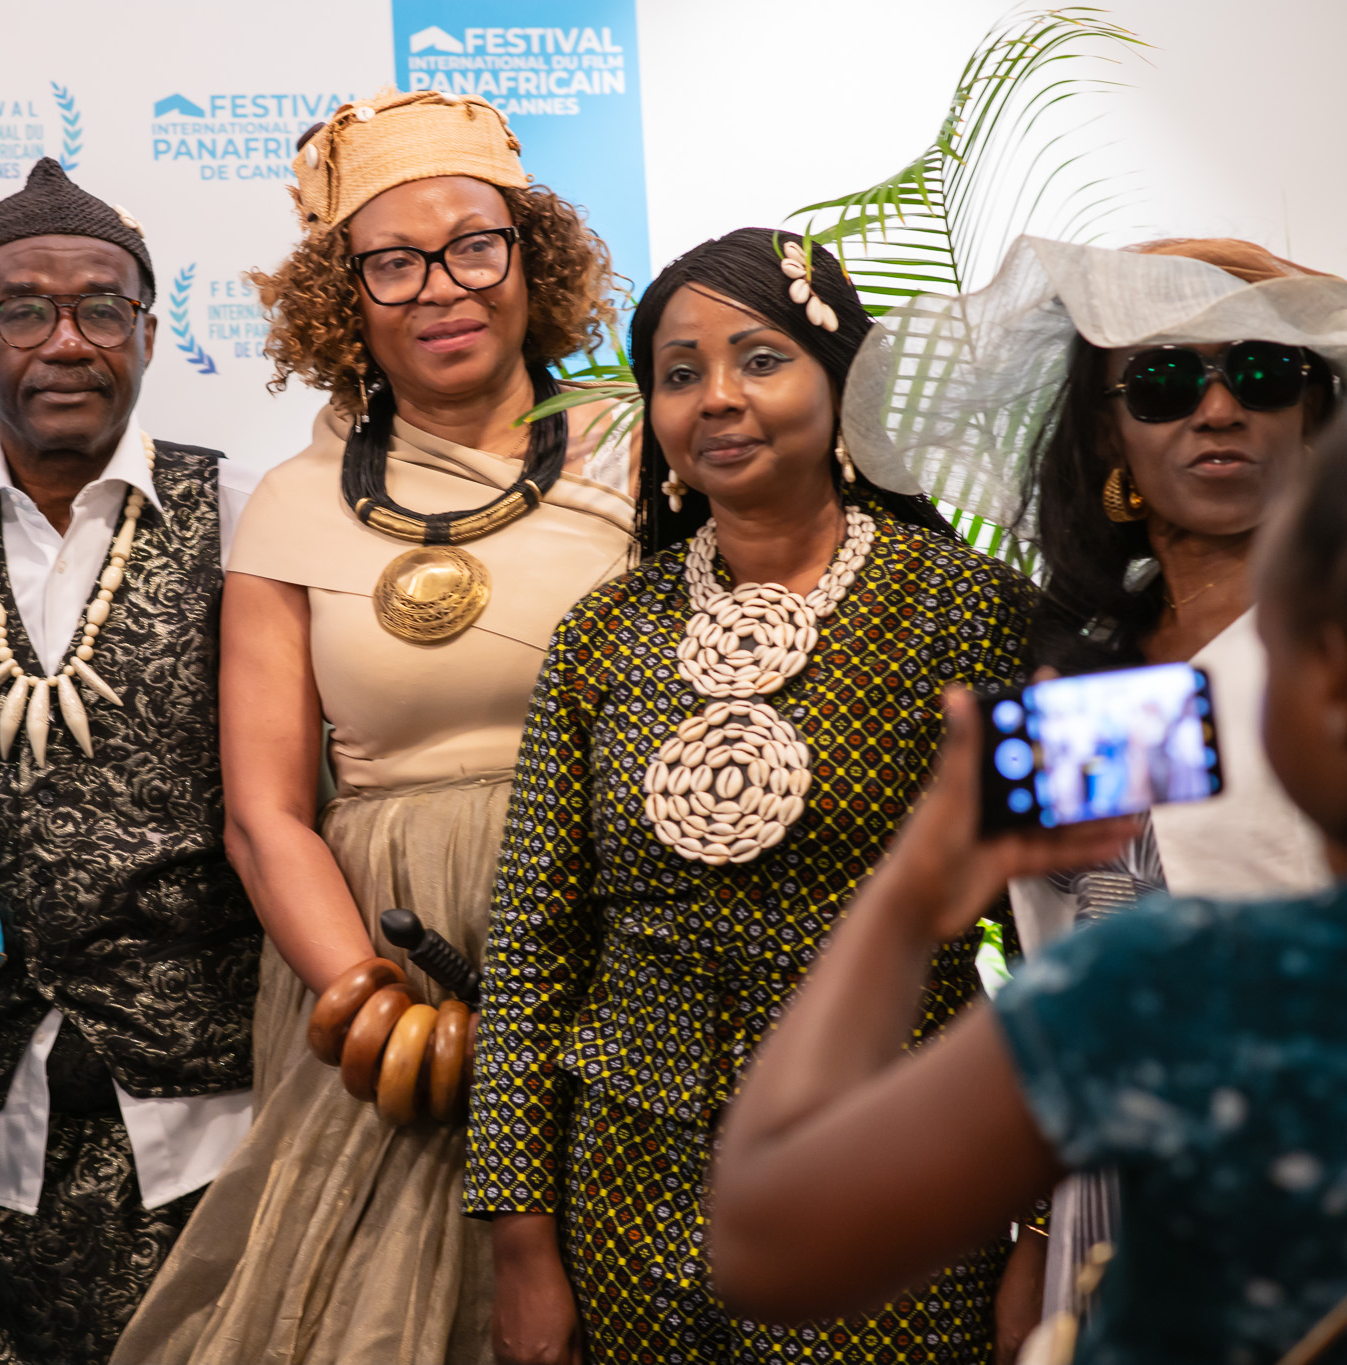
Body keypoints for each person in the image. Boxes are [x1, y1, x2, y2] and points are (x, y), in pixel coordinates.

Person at [463, 228, 1045, 1365]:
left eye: (761, 359)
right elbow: (531, 949)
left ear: (842, 383)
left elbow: (1049, 938)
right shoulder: (601, 635)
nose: (718, 398)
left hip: (898, 1162)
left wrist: (1039, 1223)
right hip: (626, 1186)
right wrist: (522, 1242)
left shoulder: (973, 613)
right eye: (679, 373)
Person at [114, 88, 631, 1365]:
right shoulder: (289, 505)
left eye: (473, 246)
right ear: (342, 297)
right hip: (385, 963)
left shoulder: (645, 450)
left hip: (623, 943)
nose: (439, 288)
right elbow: (265, 813)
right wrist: (368, 1005)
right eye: (392, 263)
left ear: (531, 258)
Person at [706, 413, 1347, 1365]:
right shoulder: (1085, 650)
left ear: (1325, 677)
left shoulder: (1183, 984)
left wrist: (907, 901)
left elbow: (772, 1241)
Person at [842, 235, 1346, 1322]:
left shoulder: (1328, 668)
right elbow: (1047, 954)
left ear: (1313, 413)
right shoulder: (1071, 668)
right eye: (1162, 381)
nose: (1218, 409)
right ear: (1107, 432)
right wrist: (1036, 1231)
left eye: (1261, 372)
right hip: (1100, 1197)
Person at [0, 157, 262, 1365]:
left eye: (101, 309)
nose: (65, 342)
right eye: (24, 310)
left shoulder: (250, 521)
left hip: (223, 1131)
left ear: (149, 332)